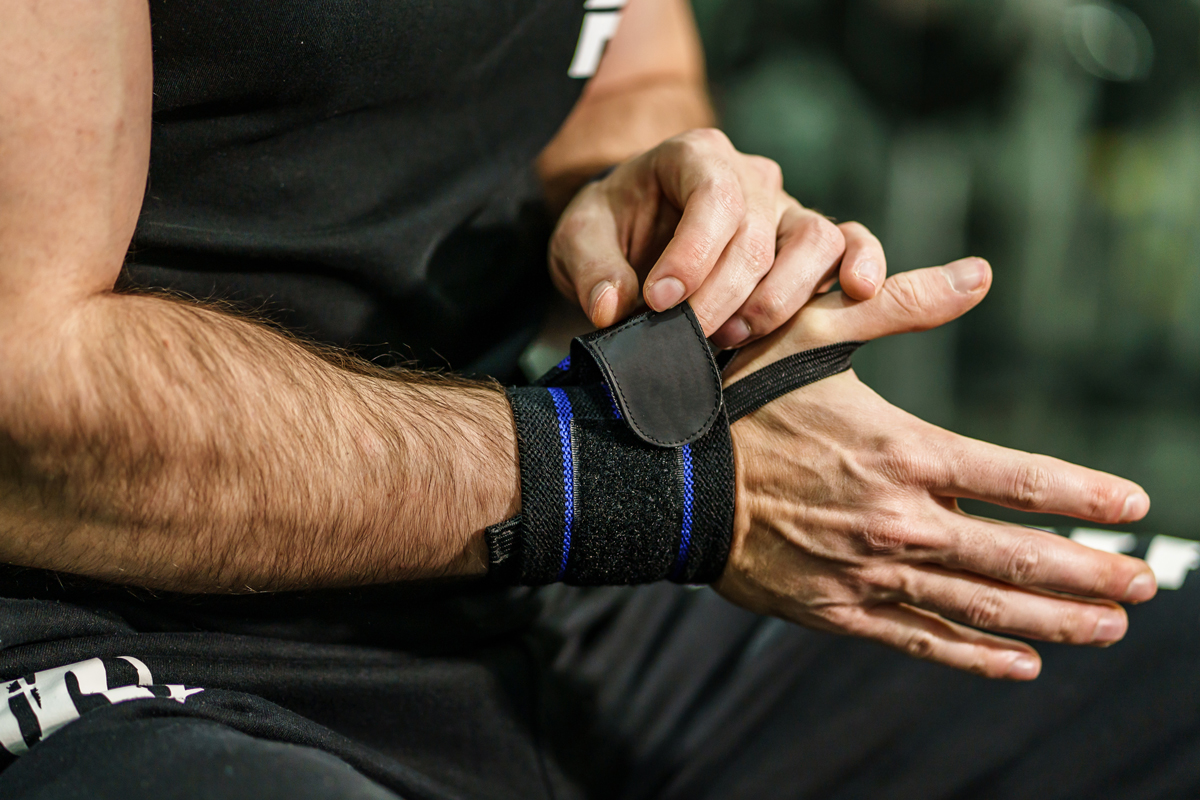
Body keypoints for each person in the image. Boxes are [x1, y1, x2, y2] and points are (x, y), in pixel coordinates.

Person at [0, 1, 1194, 798]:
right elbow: (23, 405)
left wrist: (663, 214)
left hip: (522, 583)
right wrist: (650, 483)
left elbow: (630, 71)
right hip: (103, 630)